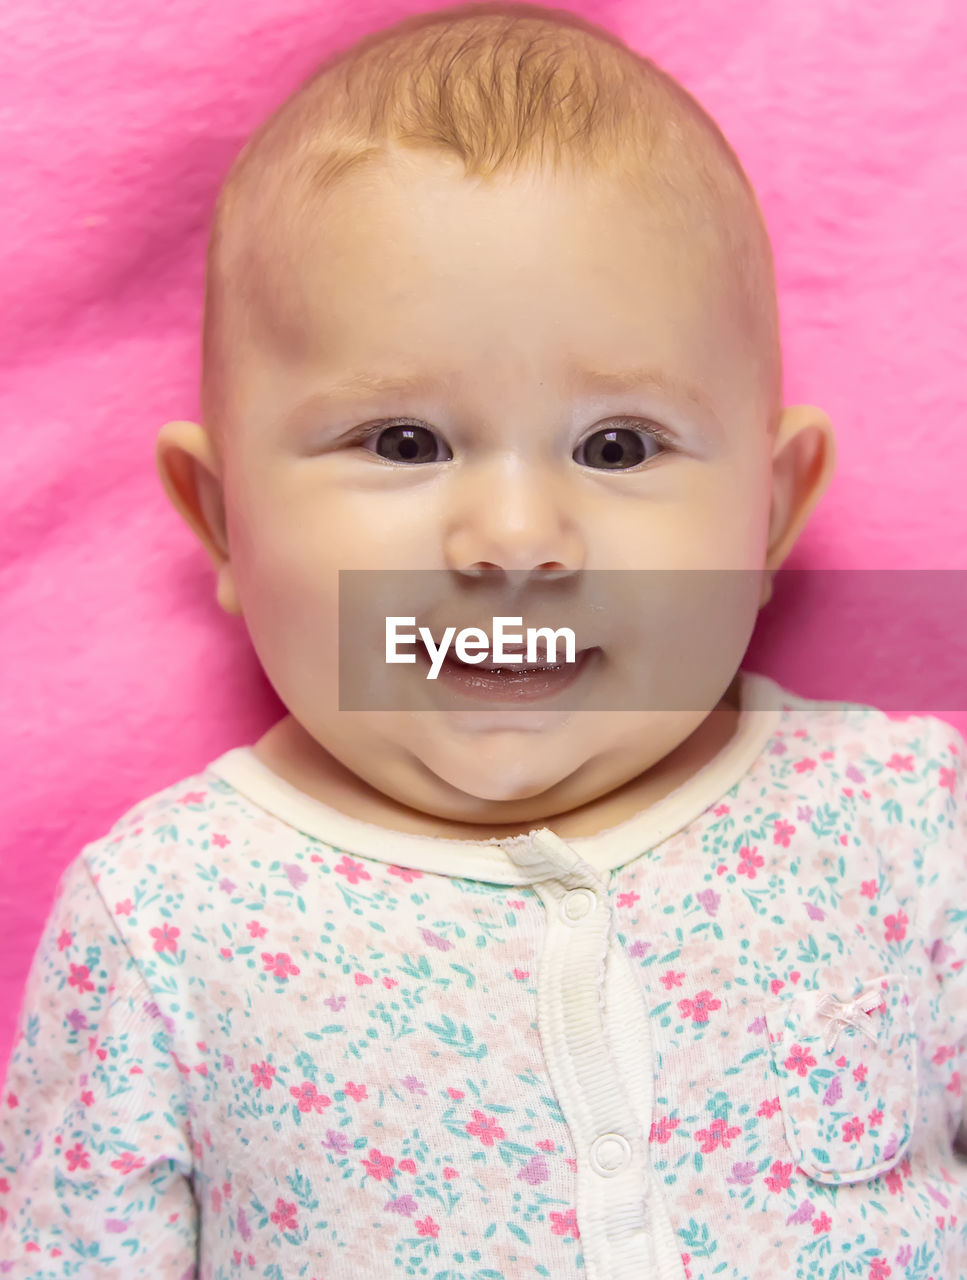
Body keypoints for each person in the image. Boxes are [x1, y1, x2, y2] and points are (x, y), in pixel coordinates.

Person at [2, 3, 965, 1276]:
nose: (515, 537)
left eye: (616, 446)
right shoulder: (167, 915)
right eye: (404, 442)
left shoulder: (906, 822)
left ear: (767, 509)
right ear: (224, 520)